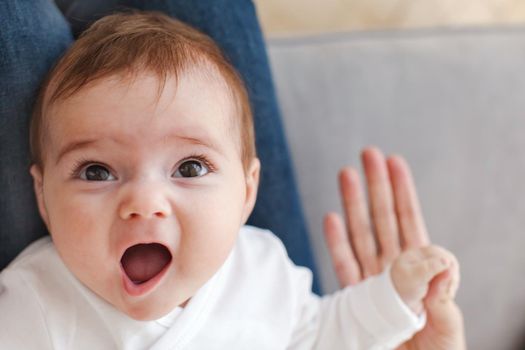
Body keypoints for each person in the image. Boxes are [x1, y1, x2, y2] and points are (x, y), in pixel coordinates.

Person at [0, 11, 465, 349]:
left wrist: (392, 299)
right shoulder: (33, 300)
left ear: (247, 191)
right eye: (96, 171)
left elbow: (322, 334)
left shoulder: (260, 269)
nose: (143, 202)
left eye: (190, 168)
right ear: (41, 195)